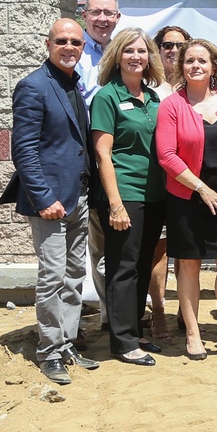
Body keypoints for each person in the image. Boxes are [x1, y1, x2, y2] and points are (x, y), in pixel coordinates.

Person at [0, 18, 100, 383]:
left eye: (76, 41)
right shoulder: (33, 87)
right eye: (62, 41)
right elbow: (23, 150)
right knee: (53, 277)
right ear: (48, 44)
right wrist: (43, 198)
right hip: (50, 203)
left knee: (75, 275)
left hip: (79, 197)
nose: (69, 47)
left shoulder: (75, 84)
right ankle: (48, 351)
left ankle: (67, 340)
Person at [156, 39, 217, 360]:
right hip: (187, 196)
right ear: (181, 67)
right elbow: (167, 156)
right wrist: (203, 189)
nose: (196, 65)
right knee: (189, 264)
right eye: (189, 61)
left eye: (202, 60)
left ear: (213, 66)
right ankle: (194, 334)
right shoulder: (172, 105)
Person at [91, 28, 168, 366]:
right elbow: (102, 154)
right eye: (129, 51)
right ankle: (122, 342)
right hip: (125, 194)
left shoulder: (153, 99)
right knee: (123, 268)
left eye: (142, 51)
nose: (136, 57)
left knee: (140, 264)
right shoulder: (107, 96)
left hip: (155, 196)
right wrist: (116, 203)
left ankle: (134, 331)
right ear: (117, 57)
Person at [77, 0, 121, 338]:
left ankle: (117, 315)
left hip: (121, 161)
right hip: (87, 160)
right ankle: (93, 317)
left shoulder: (123, 54)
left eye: (109, 13)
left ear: (118, 18)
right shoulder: (75, 54)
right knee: (94, 244)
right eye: (97, 12)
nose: (103, 19)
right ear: (85, 15)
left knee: (119, 243)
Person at [146, 24, 192, 342]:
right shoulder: (149, 89)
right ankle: (159, 309)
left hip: (191, 182)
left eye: (179, 44)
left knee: (188, 251)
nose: (173, 49)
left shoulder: (198, 87)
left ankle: (185, 311)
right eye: (166, 44)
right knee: (159, 249)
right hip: (159, 182)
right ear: (158, 49)